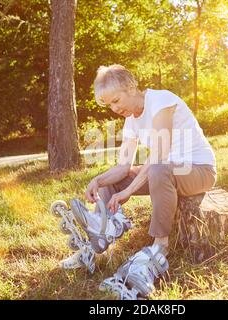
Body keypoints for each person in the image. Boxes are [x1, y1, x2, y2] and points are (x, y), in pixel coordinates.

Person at [73, 64, 218, 299]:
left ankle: (160, 247)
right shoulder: (131, 121)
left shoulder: (161, 100)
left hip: (199, 170)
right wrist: (98, 180)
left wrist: (130, 190)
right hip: (167, 172)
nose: (114, 108)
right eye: (109, 104)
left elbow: (160, 153)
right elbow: (123, 166)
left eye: (116, 100)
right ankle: (103, 228)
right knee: (112, 183)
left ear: (130, 87)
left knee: (159, 169)